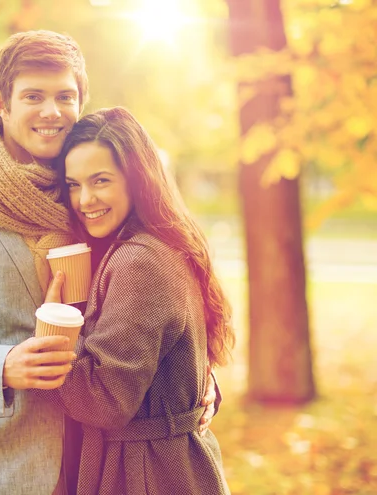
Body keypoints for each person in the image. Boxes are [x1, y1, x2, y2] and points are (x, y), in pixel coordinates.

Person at [0, 31, 218, 495]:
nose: (51, 111)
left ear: (82, 101)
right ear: (2, 102)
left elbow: (139, 314)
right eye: (33, 96)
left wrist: (188, 385)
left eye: (64, 96)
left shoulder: (90, 192)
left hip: (94, 464)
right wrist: (0, 367)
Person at [36, 107, 235, 495]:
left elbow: (104, 401)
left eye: (101, 181)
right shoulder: (159, 244)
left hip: (146, 475)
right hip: (170, 465)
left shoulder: (138, 260)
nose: (85, 199)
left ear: (137, 180)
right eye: (73, 184)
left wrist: (52, 332)